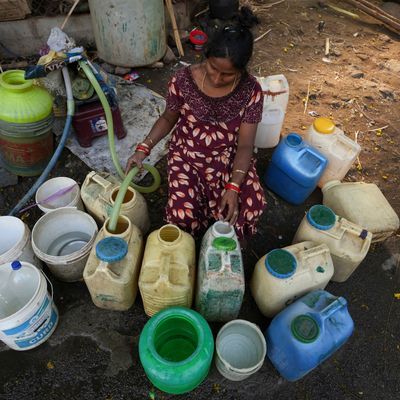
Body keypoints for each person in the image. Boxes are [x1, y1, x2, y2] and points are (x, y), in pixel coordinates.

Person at [126, 8, 266, 241]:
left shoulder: (251, 91)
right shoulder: (182, 80)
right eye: (213, 68)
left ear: (242, 69)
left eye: (228, 75)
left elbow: (244, 146)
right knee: (184, 217)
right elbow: (168, 118)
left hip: (228, 158)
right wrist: (143, 148)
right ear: (206, 55)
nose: (217, 78)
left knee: (248, 207)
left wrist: (233, 186)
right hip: (187, 156)